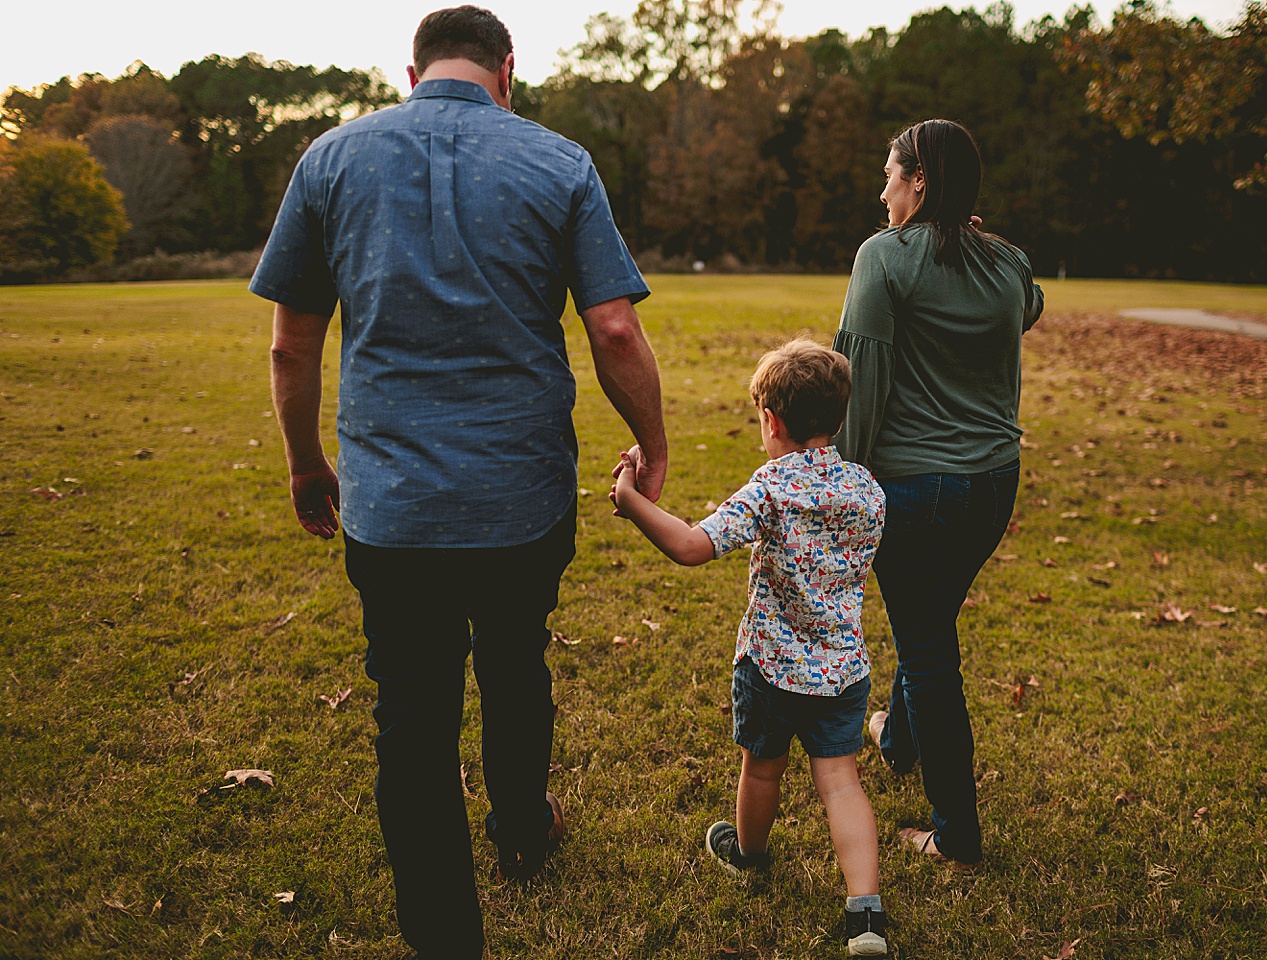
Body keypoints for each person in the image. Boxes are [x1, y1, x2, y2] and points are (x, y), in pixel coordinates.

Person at [250, 7, 667, 957]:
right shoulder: (559, 162)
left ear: (411, 73)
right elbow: (613, 328)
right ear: (507, 71)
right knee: (517, 658)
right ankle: (522, 829)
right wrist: (653, 441)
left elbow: (291, 341)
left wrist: (305, 462)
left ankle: (444, 936)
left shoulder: (330, 160)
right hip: (522, 493)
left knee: (411, 709)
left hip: (391, 502)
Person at [610, 339, 891, 957]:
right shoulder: (868, 489)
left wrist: (631, 501)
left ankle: (749, 855)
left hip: (769, 664)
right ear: (838, 418)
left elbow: (691, 545)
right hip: (843, 671)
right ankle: (865, 915)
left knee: (762, 765)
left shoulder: (771, 487)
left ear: (772, 421)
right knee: (841, 781)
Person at [831, 119, 1044, 868]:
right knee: (931, 614)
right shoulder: (1008, 263)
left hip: (916, 491)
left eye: (891, 174)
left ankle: (955, 835)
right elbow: (1031, 304)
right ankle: (897, 740)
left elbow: (859, 378)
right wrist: (972, 241)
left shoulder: (883, 259)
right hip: (992, 487)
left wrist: (838, 483)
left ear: (920, 182)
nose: (880, 188)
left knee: (926, 650)